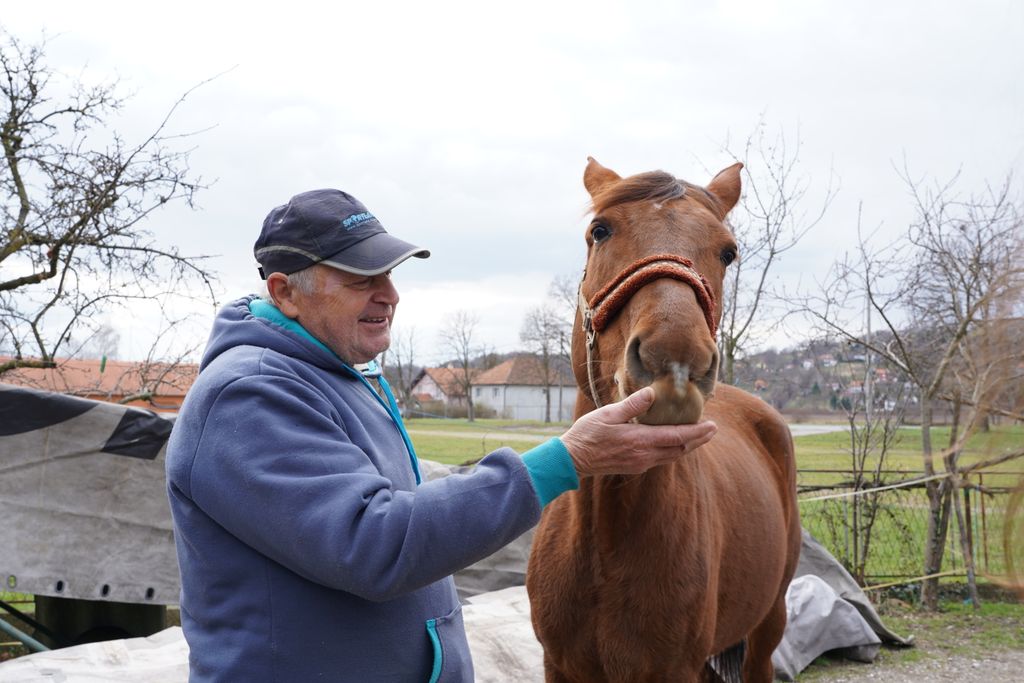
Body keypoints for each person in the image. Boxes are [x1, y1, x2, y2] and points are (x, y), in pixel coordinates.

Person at [165, 188, 718, 682]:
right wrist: (564, 460)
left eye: (390, 274)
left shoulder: (338, 375)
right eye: (361, 279)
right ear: (285, 293)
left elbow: (399, 504)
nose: (389, 295)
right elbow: (374, 545)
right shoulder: (248, 397)